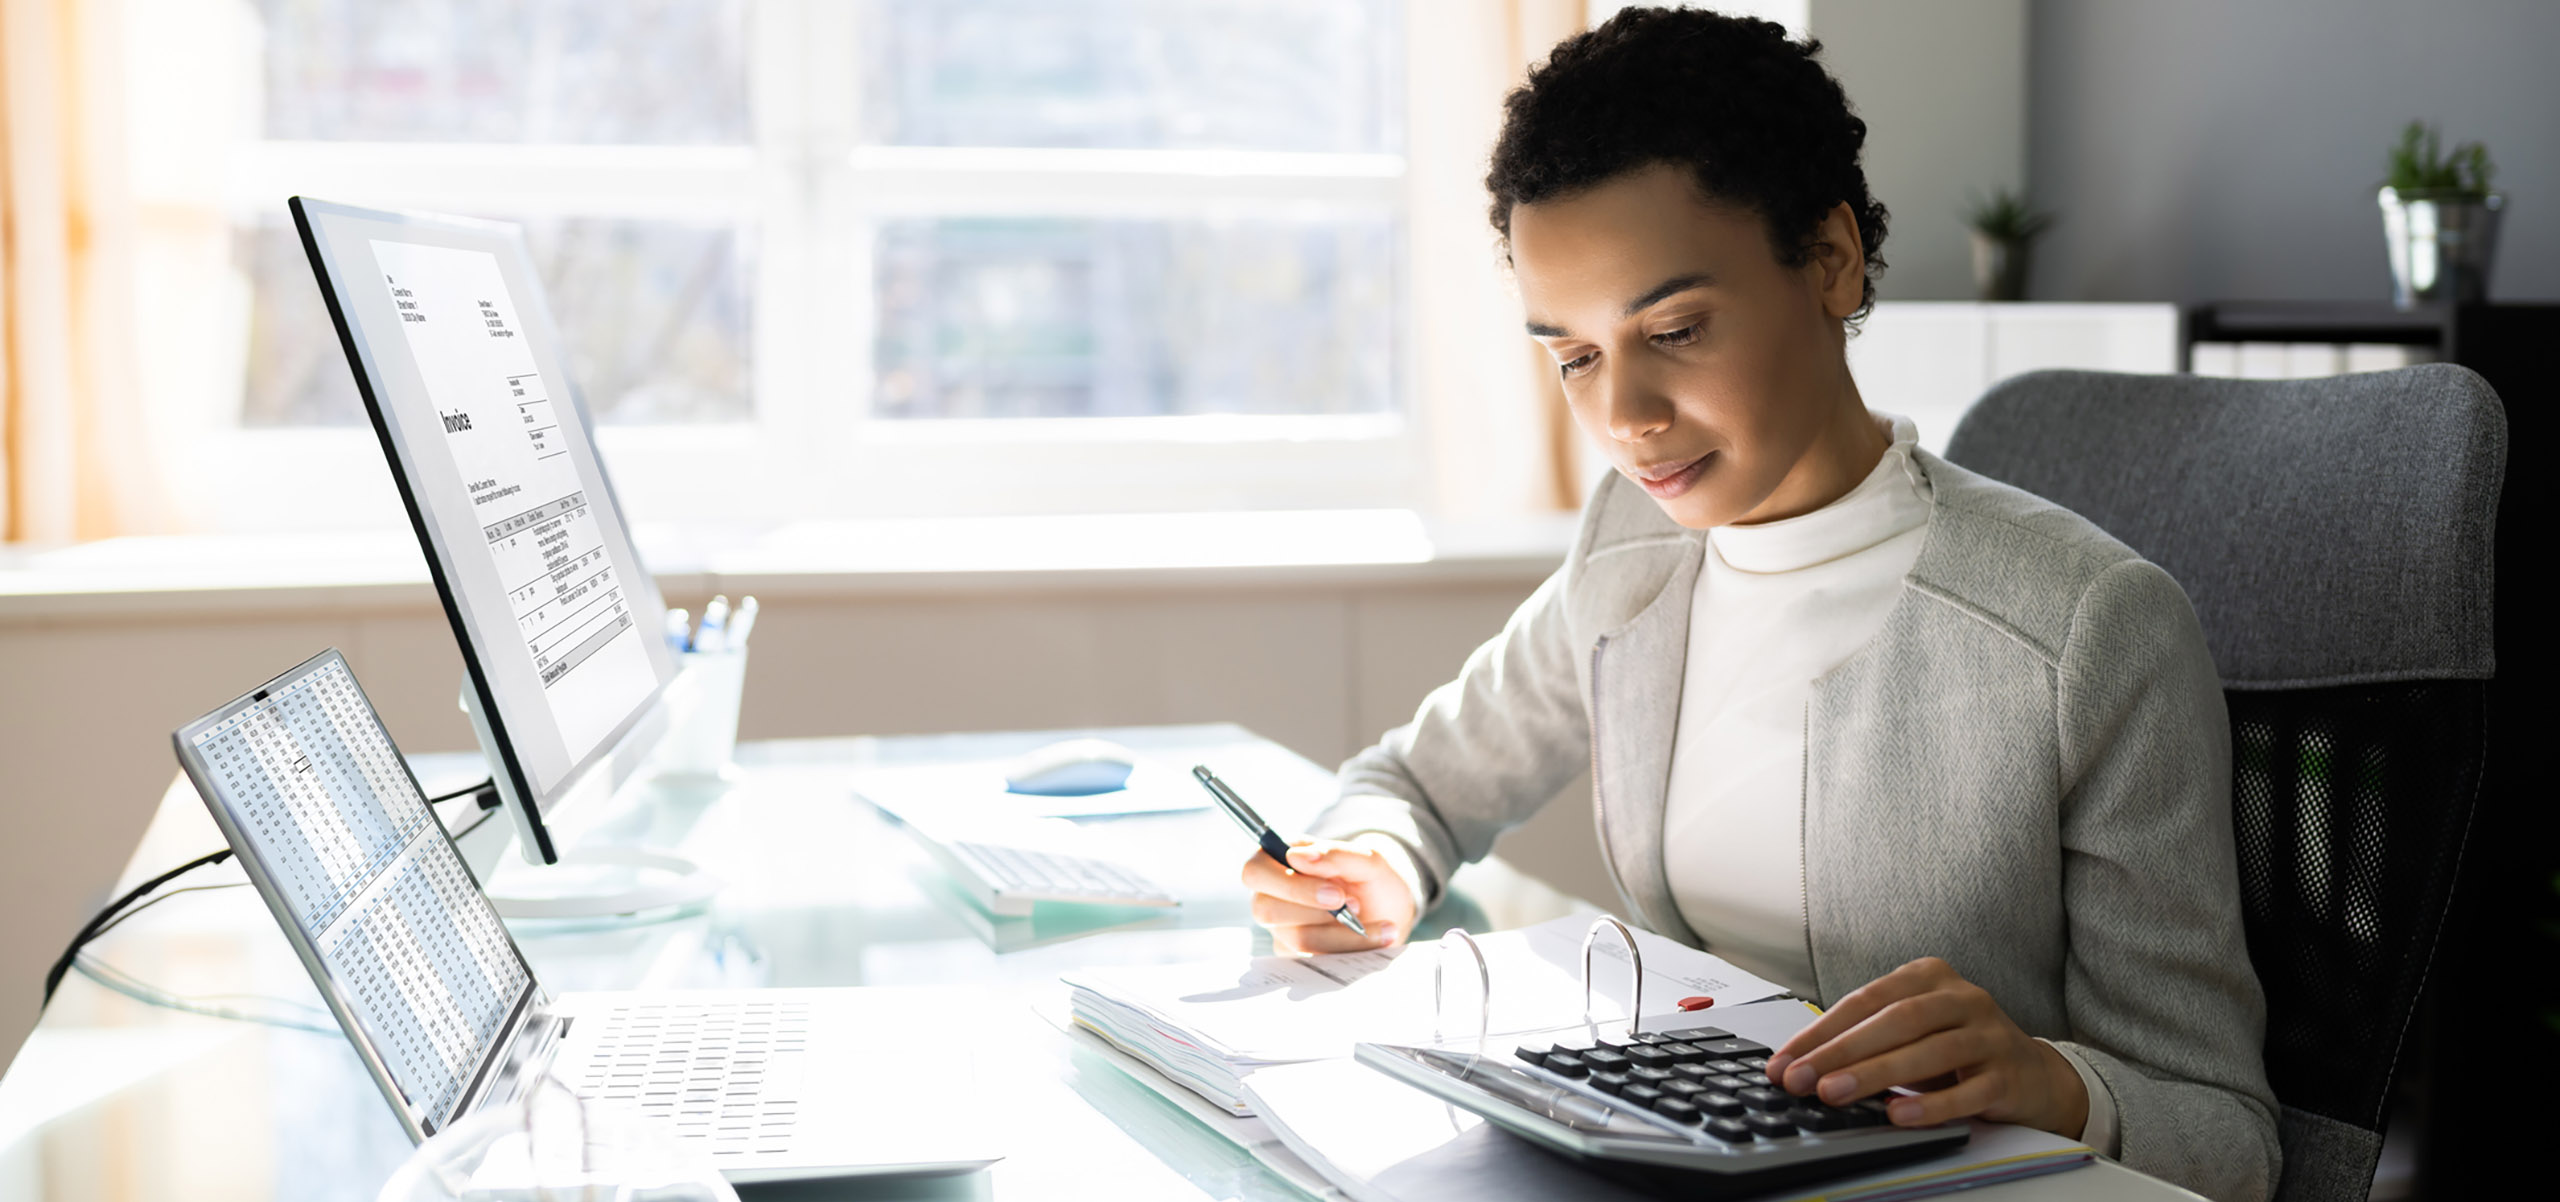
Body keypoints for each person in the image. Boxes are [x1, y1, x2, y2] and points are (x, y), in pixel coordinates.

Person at [1236, 9, 2278, 1201]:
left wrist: (2048, 1079)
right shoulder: (1631, 554)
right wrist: (1372, 863)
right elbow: (1414, 783)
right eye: (1572, 355)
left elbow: (2231, 1138)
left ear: (1829, 260)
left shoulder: (2089, 630)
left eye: (1673, 329)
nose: (1622, 415)